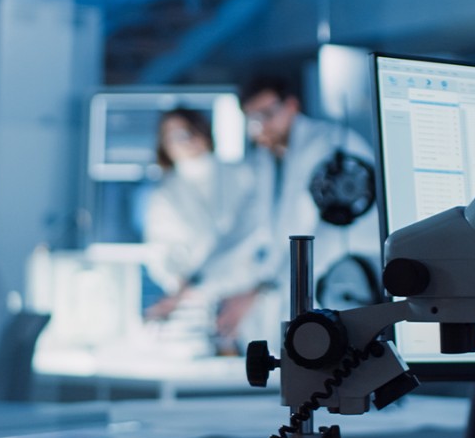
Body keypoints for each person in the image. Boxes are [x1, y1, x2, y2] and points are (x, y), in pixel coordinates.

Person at [216, 75, 381, 352]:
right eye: (252, 119)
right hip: (291, 286)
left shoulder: (335, 145)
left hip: (343, 280)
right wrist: (198, 285)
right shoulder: (265, 160)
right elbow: (246, 226)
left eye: (267, 114)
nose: (260, 127)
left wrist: (262, 290)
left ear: (291, 105)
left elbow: (333, 235)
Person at [141, 108, 254, 340]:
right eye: (174, 136)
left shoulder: (241, 174)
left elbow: (256, 233)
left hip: (249, 294)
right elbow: (160, 252)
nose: (185, 141)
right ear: (164, 145)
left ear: (203, 133)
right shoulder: (165, 194)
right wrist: (182, 288)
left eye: (189, 132)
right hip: (195, 300)